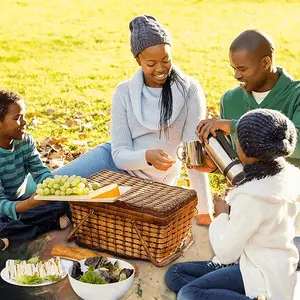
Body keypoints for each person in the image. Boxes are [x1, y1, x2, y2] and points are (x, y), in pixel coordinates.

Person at [53, 15, 212, 225]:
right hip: (113, 162)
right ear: (138, 60)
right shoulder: (124, 92)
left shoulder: (190, 90)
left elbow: (193, 155)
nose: (160, 68)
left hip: (149, 184)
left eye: (166, 59)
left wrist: (204, 210)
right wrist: (146, 156)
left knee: (74, 205)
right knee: (49, 188)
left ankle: (59, 217)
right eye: (151, 63)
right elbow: (119, 155)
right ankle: (14, 215)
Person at [166, 108, 300, 300]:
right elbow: (257, 186)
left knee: (189, 293)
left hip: (259, 273)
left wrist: (222, 215)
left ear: (244, 150)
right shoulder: (288, 177)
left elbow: (226, 252)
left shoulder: (252, 198)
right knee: (175, 274)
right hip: (270, 263)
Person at [195, 29, 300, 257]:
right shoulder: (230, 99)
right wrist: (214, 166)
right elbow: (242, 161)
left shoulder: (296, 95)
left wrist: (235, 126)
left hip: (289, 208)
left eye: (242, 69)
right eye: (233, 68)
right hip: (249, 207)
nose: (236, 75)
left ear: (266, 62)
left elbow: (297, 144)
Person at [0, 90, 70, 250]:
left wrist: (55, 190)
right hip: (4, 209)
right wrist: (29, 204)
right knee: (2, 223)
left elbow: (40, 171)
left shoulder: (25, 141)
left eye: (24, 116)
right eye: (17, 118)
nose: (24, 122)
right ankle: (43, 228)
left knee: (63, 203)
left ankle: (13, 238)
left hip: (21, 201)